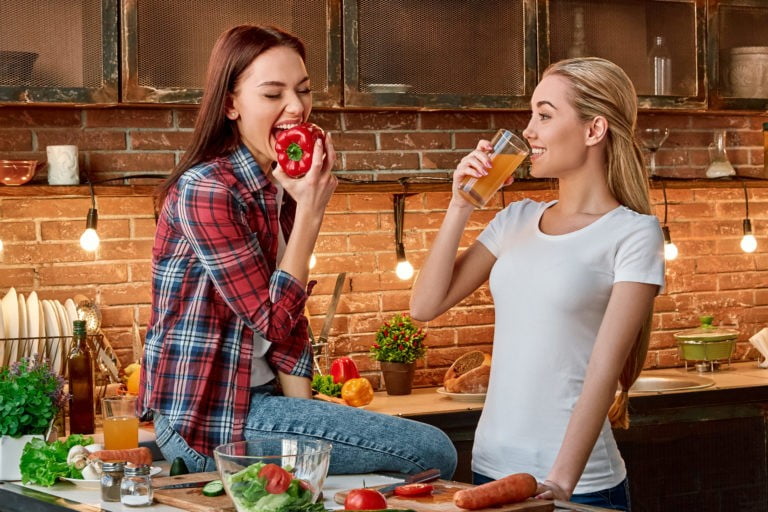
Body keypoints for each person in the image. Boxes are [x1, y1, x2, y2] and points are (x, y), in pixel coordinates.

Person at [139, 24, 456, 478]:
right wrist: (311, 209)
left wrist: (310, 424)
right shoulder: (206, 190)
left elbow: (288, 333)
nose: (296, 107)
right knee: (431, 451)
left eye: (303, 90)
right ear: (230, 104)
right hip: (209, 421)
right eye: (273, 94)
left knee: (388, 466)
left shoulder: (277, 184)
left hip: (261, 404)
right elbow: (271, 317)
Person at [410, 57, 665, 511]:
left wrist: (561, 482)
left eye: (544, 115)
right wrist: (460, 204)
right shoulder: (515, 219)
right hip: (491, 469)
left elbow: (602, 375)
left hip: (575, 482)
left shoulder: (633, 233)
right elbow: (425, 305)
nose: (528, 130)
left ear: (594, 130)